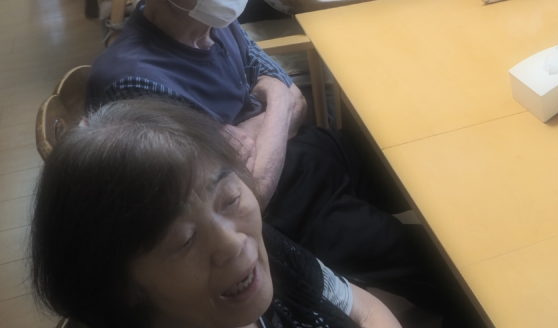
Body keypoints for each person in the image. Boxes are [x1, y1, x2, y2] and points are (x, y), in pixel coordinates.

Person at [87, 0, 438, 306]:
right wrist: (278, 101)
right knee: (437, 265)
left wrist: (268, 110)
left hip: (304, 156)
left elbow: (290, 94)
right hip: (279, 215)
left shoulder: (212, 18)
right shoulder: (135, 83)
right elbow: (244, 195)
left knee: (420, 164)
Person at [31, 98, 401, 328]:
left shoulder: (262, 250)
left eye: (229, 199)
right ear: (123, 288)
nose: (232, 243)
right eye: (184, 240)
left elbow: (363, 307)